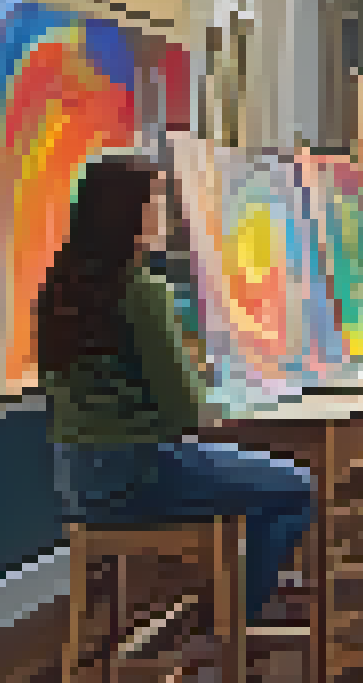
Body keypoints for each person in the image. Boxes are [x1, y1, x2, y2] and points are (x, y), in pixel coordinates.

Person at [39, 159, 316, 638]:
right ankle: (234, 624)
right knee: (296, 488)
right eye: (157, 203)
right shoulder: (143, 290)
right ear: (128, 215)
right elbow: (184, 411)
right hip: (142, 474)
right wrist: (209, 384)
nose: (167, 216)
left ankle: (229, 611)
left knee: (256, 482)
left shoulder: (59, 291)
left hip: (80, 485)